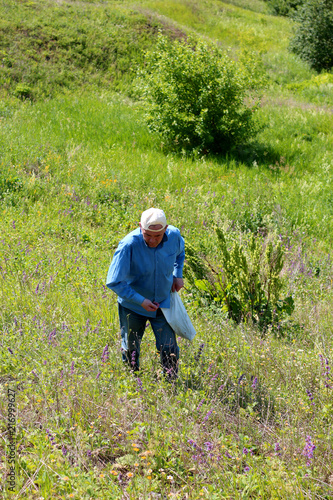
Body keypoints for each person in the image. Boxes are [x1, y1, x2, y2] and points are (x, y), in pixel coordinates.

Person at [106, 208, 185, 379]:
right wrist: (141, 301)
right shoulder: (128, 245)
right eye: (147, 234)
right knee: (131, 346)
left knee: (169, 345)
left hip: (162, 303)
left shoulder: (174, 236)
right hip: (133, 306)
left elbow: (180, 253)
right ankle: (132, 381)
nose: (152, 240)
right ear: (140, 226)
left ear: (165, 229)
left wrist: (177, 275)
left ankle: (170, 383)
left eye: (157, 236)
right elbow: (114, 281)